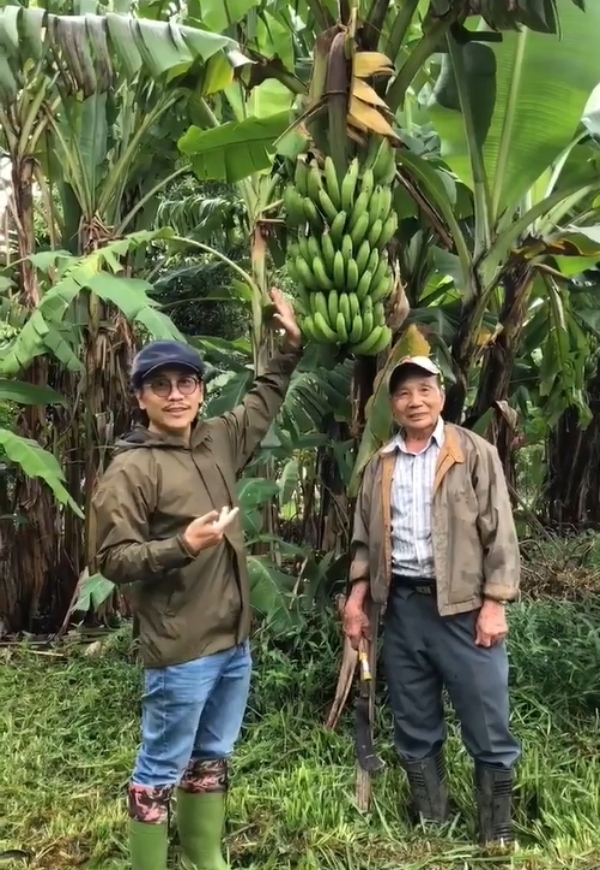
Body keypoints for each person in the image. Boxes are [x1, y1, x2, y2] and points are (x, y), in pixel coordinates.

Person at [91, 288, 302, 870]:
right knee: (159, 769)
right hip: (181, 647)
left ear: (201, 390)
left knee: (211, 757)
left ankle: (206, 858)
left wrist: (289, 345)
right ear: (141, 398)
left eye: (187, 382)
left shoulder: (218, 439)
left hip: (233, 640)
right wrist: (182, 545)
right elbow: (113, 560)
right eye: (161, 385)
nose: (177, 394)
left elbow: (264, 397)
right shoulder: (131, 470)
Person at [343, 355, 521, 846]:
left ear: (441, 395)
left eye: (424, 389)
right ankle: (433, 823)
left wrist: (495, 602)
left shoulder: (472, 452)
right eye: (403, 393)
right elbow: (364, 540)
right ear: (392, 405)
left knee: (487, 718)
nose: (414, 401)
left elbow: (500, 533)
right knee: (414, 719)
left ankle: (496, 832)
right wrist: (357, 600)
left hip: (464, 609)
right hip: (401, 609)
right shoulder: (381, 464)